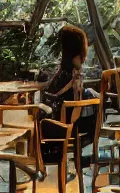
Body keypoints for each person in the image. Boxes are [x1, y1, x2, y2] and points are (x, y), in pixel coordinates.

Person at [40, 24, 98, 155]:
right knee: (96, 100)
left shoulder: (63, 73)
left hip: (55, 125)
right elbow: (75, 109)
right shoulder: (74, 75)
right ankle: (86, 144)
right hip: (66, 127)